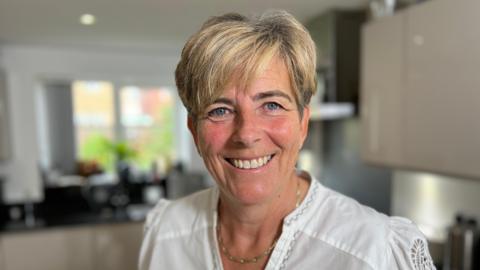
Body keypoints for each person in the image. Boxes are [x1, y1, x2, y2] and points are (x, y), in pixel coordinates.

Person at [139, 10, 436, 270]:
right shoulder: (166, 232)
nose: (246, 134)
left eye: (271, 105)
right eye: (220, 110)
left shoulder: (373, 250)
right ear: (194, 130)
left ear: (303, 123)